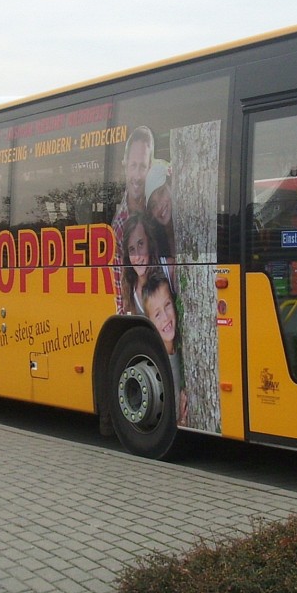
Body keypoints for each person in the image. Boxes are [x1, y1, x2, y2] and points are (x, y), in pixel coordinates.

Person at [111, 126, 155, 312]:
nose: (137, 176)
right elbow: (121, 293)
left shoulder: (158, 207)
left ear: (150, 167)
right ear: (125, 165)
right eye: (133, 166)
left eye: (143, 167)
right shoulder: (119, 226)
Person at [140, 266, 189, 426]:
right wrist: (181, 421)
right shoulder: (157, 366)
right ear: (150, 322)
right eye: (157, 314)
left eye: (167, 305)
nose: (166, 318)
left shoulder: (183, 346)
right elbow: (164, 426)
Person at [121, 211, 175, 316]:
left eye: (141, 244)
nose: (137, 256)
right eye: (132, 249)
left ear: (149, 243)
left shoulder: (169, 269)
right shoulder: (129, 286)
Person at [144, 158, 177, 259]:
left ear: (170, 187)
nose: (159, 207)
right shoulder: (155, 244)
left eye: (161, 193)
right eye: (153, 205)